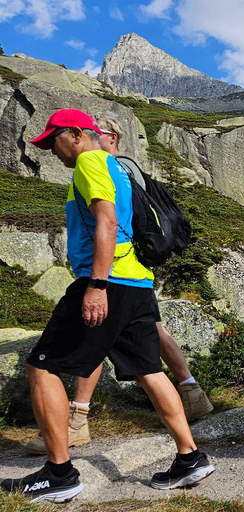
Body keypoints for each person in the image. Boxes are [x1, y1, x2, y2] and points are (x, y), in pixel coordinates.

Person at [1, 109, 215, 502]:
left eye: (54, 140)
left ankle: (59, 475)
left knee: (41, 367)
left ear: (76, 134)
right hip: (137, 281)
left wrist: (96, 285)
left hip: (108, 279)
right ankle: (190, 457)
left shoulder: (89, 160)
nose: (52, 149)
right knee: (150, 370)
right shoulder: (116, 166)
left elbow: (107, 222)